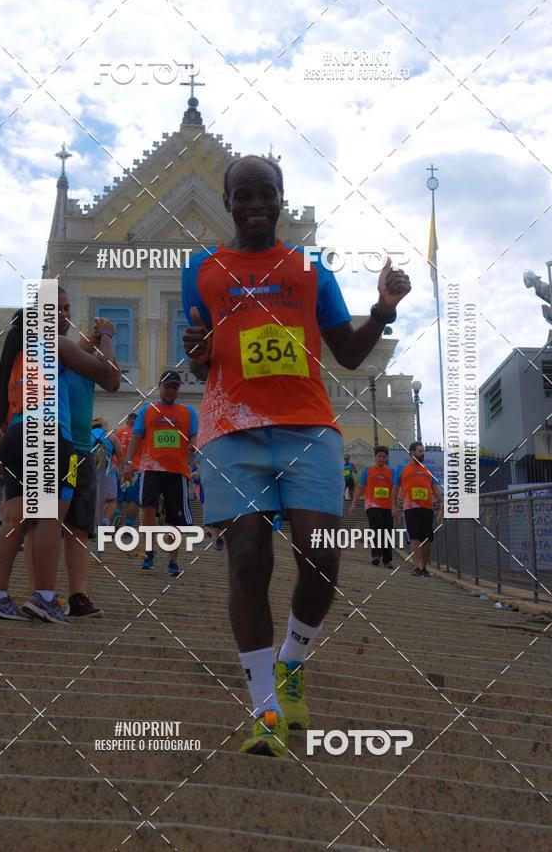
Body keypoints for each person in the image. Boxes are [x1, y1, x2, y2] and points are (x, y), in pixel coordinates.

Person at [182, 153, 411, 756]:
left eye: (267, 193)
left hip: (308, 427)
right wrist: (199, 353)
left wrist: (383, 310)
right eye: (243, 195)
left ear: (281, 196)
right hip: (231, 430)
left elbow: (350, 354)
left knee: (321, 557)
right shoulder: (200, 270)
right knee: (247, 560)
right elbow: (202, 360)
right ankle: (265, 712)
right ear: (227, 201)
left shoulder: (309, 268)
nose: (255, 205)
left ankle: (292, 659)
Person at [0, 304, 116, 622]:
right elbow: (104, 371)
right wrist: (106, 336)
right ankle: (45, 597)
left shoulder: (11, 360)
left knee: (15, 519)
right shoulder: (56, 345)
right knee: (50, 518)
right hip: (51, 435)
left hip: (15, 436)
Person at [26, 289, 121, 617]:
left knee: (78, 525)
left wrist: (103, 342)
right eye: (58, 309)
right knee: (42, 520)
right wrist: (104, 338)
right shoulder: (53, 351)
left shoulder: (80, 357)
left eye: (67, 308)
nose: (65, 314)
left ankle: (77, 595)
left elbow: (112, 382)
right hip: (53, 444)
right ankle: (40, 592)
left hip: (79, 450)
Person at [122, 370, 198, 577]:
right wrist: (128, 463)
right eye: (167, 386)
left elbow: (194, 436)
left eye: (175, 387)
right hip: (150, 468)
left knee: (175, 518)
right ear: (159, 386)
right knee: (148, 508)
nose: (171, 390)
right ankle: (149, 552)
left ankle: (173, 560)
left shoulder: (188, 411)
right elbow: (136, 437)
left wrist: (193, 445)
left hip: (177, 470)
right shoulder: (147, 410)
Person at [392, 442, 443, 577]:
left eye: (423, 451)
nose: (422, 454)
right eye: (420, 451)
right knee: (414, 536)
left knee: (427, 538)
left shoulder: (428, 469)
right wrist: (394, 506)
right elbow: (395, 489)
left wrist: (442, 502)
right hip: (410, 508)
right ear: (412, 453)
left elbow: (435, 489)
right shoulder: (402, 469)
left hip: (427, 508)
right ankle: (416, 567)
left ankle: (424, 567)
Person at [349, 446, 395, 567]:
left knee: (387, 532)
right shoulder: (368, 470)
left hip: (388, 506)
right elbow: (360, 488)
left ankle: (387, 560)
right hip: (372, 505)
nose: (381, 458)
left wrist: (397, 505)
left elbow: (396, 489)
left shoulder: (391, 471)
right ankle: (376, 555)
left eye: (384, 456)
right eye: (379, 456)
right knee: (376, 528)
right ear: (375, 457)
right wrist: (353, 504)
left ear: (387, 458)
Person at [91, 417, 123, 529]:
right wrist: (122, 470)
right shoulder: (111, 436)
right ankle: (104, 523)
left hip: (91, 470)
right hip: (109, 470)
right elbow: (120, 455)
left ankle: (95, 525)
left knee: (94, 499)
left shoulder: (87, 434)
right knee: (111, 500)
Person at [115, 412, 141, 529]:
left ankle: (116, 518)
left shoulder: (118, 433)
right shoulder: (140, 434)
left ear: (127, 421)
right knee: (133, 500)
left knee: (118, 498)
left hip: (120, 469)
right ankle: (129, 525)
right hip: (135, 470)